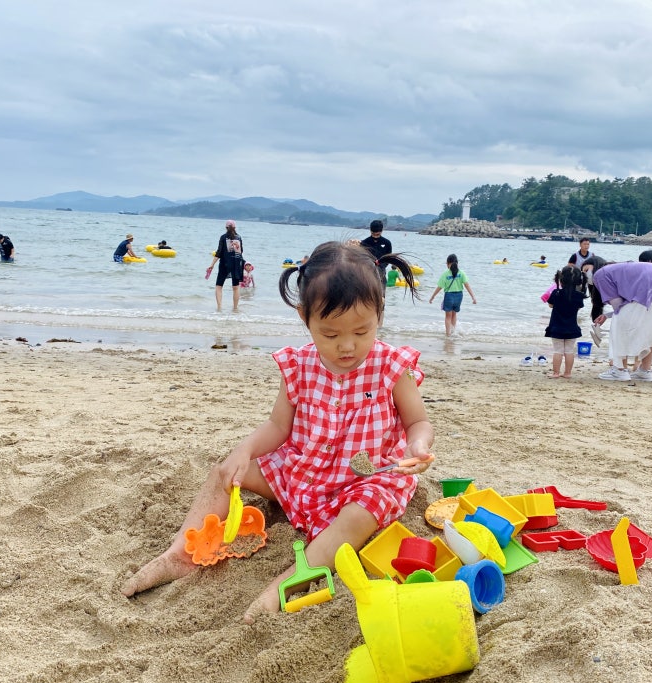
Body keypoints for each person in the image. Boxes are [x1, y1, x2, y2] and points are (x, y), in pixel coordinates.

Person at [121, 241, 434, 623]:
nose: (347, 346)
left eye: (362, 331)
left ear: (379, 314)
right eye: (330, 334)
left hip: (364, 480)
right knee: (226, 472)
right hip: (303, 471)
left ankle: (290, 580)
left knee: (357, 516)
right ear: (305, 317)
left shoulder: (390, 366)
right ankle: (180, 555)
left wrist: (417, 446)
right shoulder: (299, 366)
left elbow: (418, 421)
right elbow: (277, 427)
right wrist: (242, 451)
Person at [582, 256, 652, 382]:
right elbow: (625, 304)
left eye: (586, 269)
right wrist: (607, 315)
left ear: (595, 264)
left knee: (618, 324)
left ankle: (619, 370)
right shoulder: (617, 269)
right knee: (649, 327)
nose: (585, 274)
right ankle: (645, 371)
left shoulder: (600, 274)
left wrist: (609, 316)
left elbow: (618, 307)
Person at [544, 265, 585, 379]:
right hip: (572, 326)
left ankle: (556, 373)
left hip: (557, 326)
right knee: (569, 351)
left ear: (561, 280)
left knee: (558, 350)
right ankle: (567, 373)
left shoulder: (556, 293)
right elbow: (578, 308)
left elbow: (550, 305)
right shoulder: (579, 296)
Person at [428, 253, 477, 336]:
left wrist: (432, 296)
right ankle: (453, 332)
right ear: (457, 263)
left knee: (448, 316)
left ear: (448, 263)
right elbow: (467, 285)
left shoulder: (445, 274)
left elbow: (439, 287)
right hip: (459, 296)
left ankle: (448, 334)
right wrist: (473, 297)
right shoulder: (461, 273)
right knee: (454, 314)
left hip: (449, 296)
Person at [206, 220, 244, 310]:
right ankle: (235, 308)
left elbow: (219, 253)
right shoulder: (239, 237)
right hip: (237, 264)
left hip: (225, 264)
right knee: (235, 287)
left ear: (226, 227)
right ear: (235, 227)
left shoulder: (223, 237)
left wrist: (212, 265)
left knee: (219, 286)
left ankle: (219, 307)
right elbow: (241, 251)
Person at [360, 219, 392, 285]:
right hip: (367, 271)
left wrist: (380, 264)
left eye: (377, 234)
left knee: (381, 292)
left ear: (382, 230)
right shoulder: (364, 242)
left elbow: (388, 258)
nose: (375, 236)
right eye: (373, 234)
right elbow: (361, 258)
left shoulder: (387, 243)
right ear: (370, 230)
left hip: (381, 271)